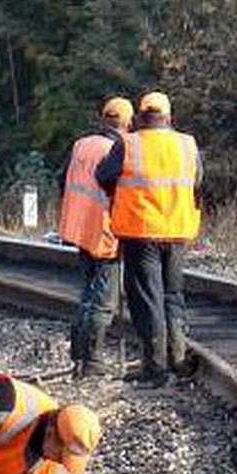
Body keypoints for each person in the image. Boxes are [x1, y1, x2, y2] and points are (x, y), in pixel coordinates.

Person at [95, 90, 203, 388]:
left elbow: (103, 175)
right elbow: (198, 181)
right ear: (169, 117)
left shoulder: (129, 144)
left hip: (141, 232)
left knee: (148, 299)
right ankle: (177, 359)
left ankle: (155, 369)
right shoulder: (187, 144)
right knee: (172, 294)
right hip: (178, 231)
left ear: (141, 117)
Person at [57, 96, 134, 378]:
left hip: (78, 230)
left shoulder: (82, 144)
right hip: (104, 232)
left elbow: (61, 180)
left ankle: (78, 356)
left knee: (87, 293)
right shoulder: (118, 148)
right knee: (103, 300)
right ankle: (92, 362)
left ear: (104, 118)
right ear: (127, 122)